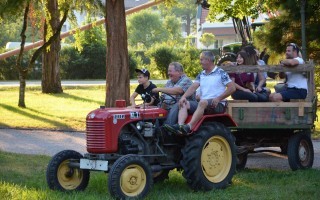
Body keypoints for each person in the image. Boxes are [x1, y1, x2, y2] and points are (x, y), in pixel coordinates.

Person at [163, 51, 236, 135]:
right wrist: (184, 96)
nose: (200, 62)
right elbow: (193, 87)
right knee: (184, 103)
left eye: (201, 60)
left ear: (208, 60)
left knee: (202, 102)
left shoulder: (221, 73)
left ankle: (189, 126)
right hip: (203, 104)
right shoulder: (202, 74)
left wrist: (219, 98)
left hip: (217, 104)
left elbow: (232, 88)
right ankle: (180, 127)